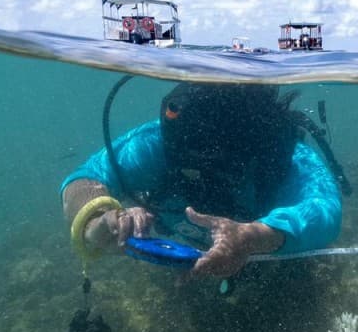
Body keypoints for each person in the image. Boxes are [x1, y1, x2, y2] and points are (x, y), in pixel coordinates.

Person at [61, 82, 343, 280]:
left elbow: (325, 207)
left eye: (210, 161)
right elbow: (84, 179)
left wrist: (252, 237)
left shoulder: (283, 154)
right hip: (188, 271)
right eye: (186, 156)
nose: (195, 171)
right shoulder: (157, 142)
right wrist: (97, 220)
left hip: (280, 270)